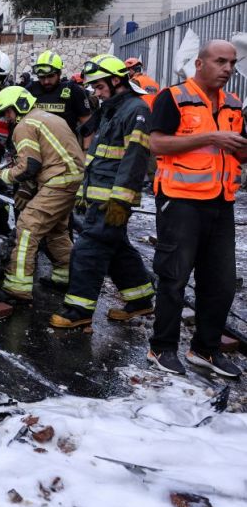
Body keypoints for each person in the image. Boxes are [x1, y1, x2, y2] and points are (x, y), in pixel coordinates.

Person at [146, 40, 246, 377]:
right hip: (180, 202)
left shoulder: (233, 105)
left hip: (221, 202)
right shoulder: (173, 97)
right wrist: (210, 137)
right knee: (174, 276)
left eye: (232, 63)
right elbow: (156, 142)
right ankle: (161, 347)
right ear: (200, 63)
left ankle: (206, 349)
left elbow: (239, 152)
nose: (228, 69)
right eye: (220, 61)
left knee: (220, 282)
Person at [51, 55, 154, 329]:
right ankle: (141, 298)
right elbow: (98, 155)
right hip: (100, 195)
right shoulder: (112, 109)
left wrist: (120, 200)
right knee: (116, 247)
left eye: (99, 86)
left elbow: (135, 158)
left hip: (112, 199)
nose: (96, 92)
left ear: (116, 80)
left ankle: (78, 310)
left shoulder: (135, 110)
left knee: (88, 250)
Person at [0, 86, 84, 303]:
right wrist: (29, 187)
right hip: (72, 178)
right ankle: (66, 275)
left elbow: (29, 166)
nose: (7, 118)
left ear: (19, 105)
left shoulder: (24, 125)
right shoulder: (48, 117)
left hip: (58, 180)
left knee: (27, 226)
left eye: (7, 112)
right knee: (56, 229)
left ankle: (17, 285)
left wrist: (1, 175)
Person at [27, 50, 91, 141]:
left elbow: (87, 124)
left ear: (59, 73)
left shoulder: (73, 90)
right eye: (42, 77)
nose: (46, 81)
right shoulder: (30, 90)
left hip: (66, 150)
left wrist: (86, 151)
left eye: (50, 76)